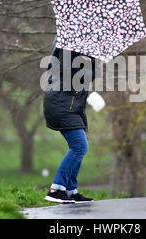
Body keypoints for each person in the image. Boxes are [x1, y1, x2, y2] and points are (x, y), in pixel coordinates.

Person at [42, 37, 98, 204]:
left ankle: (70, 191)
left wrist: (92, 57)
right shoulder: (67, 42)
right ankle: (56, 189)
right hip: (62, 105)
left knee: (79, 147)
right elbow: (76, 75)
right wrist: (91, 62)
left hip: (70, 105)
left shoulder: (73, 41)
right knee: (79, 146)